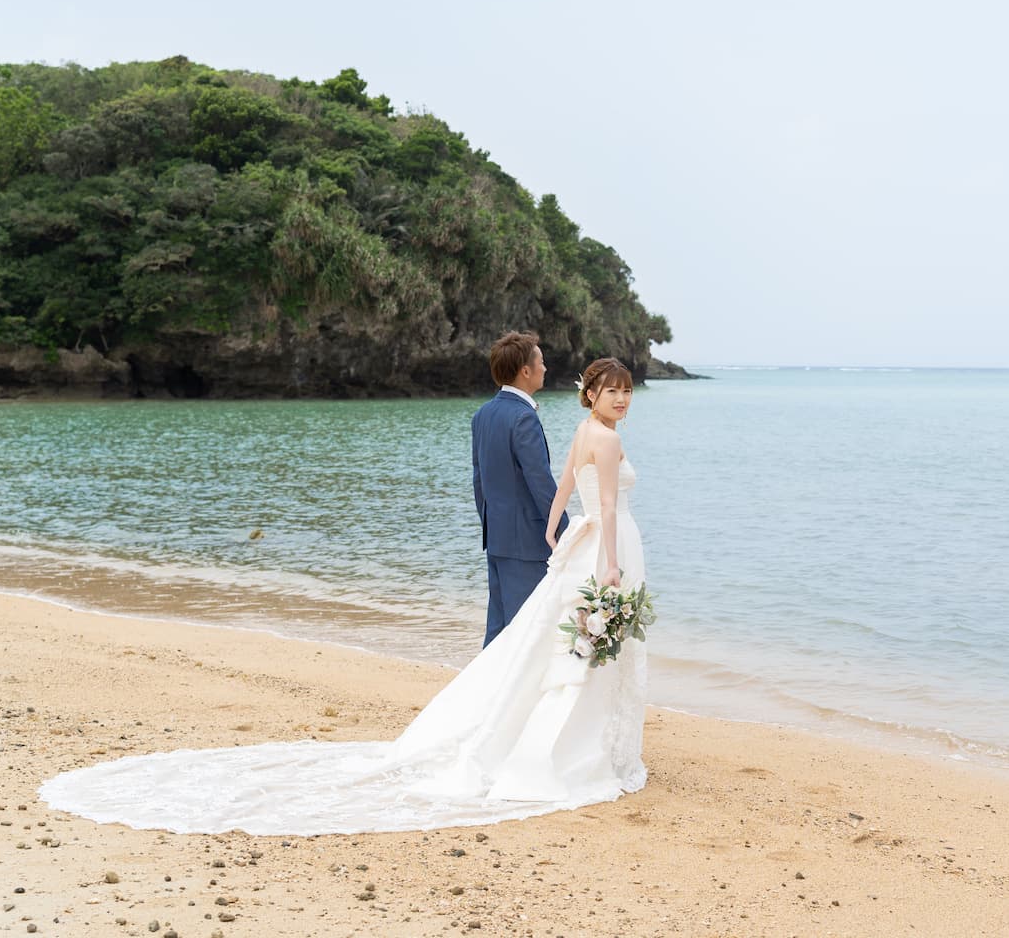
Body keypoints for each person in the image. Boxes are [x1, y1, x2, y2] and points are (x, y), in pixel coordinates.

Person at [37, 358, 648, 835]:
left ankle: (548, 729)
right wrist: (605, 558)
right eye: (611, 389)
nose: (621, 398)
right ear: (589, 392)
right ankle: (573, 746)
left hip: (558, 541)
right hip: (602, 547)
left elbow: (562, 482)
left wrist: (556, 529)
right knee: (570, 645)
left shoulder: (566, 426)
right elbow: (599, 498)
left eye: (626, 390)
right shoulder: (599, 437)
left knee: (538, 639)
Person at [472, 331, 569, 647]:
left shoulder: (483, 415)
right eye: (541, 361)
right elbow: (541, 483)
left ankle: (486, 694)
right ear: (525, 371)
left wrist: (492, 523)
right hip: (526, 544)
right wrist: (566, 534)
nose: (545, 367)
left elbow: (479, 481)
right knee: (527, 633)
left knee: (499, 630)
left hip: (497, 538)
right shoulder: (523, 418)